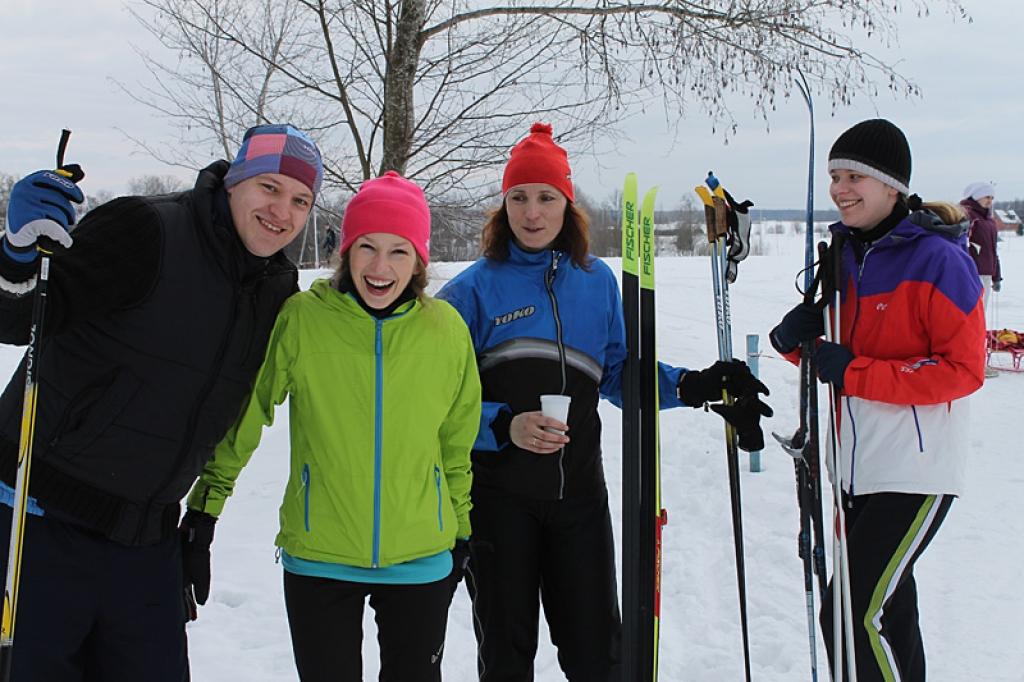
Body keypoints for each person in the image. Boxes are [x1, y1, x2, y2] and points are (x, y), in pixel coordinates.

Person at [437, 122, 771, 681]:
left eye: (546, 197)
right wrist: (502, 426)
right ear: (504, 205)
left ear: (568, 205)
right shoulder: (471, 292)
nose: (532, 212)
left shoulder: (596, 284)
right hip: (498, 502)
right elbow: (436, 400)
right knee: (505, 658)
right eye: (518, 198)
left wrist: (695, 386)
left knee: (599, 657)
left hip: (579, 501)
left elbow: (618, 373)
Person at [0, 123, 321, 681]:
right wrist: (17, 252)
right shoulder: (146, 229)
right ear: (233, 182)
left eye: (300, 200)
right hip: (41, 520)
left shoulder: (276, 290)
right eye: (269, 188)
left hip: (146, 541)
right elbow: (17, 315)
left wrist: (198, 522)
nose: (282, 211)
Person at [185, 171, 481, 682]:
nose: (380, 267)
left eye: (398, 251)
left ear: (419, 262)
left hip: (420, 557)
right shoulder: (302, 318)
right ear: (345, 251)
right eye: (366, 247)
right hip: (319, 558)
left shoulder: (446, 330)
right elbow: (247, 417)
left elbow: (456, 442)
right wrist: (205, 510)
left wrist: (460, 529)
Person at [770, 118, 985, 681]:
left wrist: (855, 371)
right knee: (891, 615)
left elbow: (962, 370)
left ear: (892, 185)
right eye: (835, 176)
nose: (841, 188)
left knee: (850, 612)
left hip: (916, 470)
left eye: (855, 177)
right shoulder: (842, 257)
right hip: (854, 468)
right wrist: (800, 345)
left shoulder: (940, 261)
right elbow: (843, 358)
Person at [961, 182, 1002, 311]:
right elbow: (960, 245)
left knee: (981, 311)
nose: (990, 201)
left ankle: (978, 332)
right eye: (986, 197)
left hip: (986, 274)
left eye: (991, 198)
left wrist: (996, 277)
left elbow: (992, 250)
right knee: (970, 311)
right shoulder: (967, 216)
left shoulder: (989, 221)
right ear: (976, 197)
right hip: (971, 273)